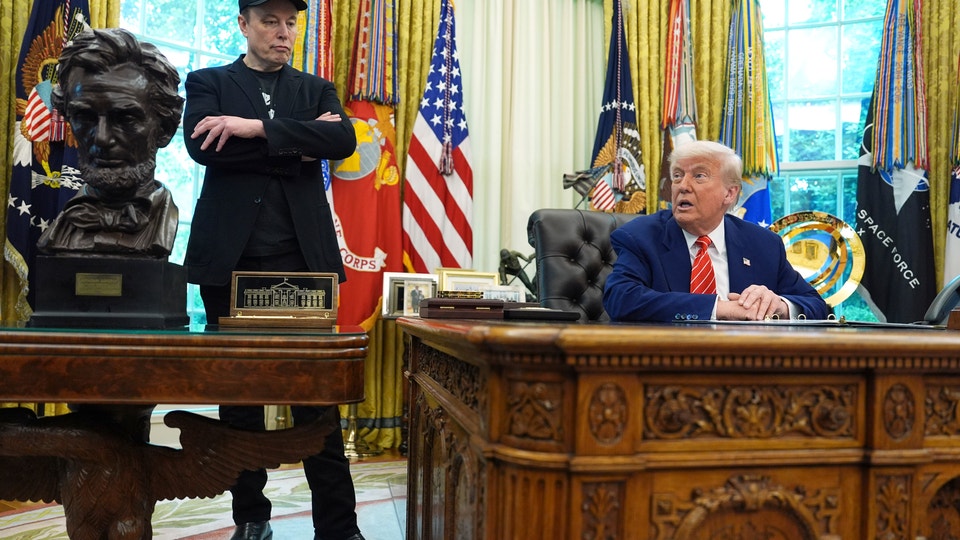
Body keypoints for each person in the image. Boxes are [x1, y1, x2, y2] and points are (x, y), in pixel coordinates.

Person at [181, 0, 362, 539]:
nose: (284, 33)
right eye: (270, 21)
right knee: (240, 401)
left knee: (316, 401)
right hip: (230, 261)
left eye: (291, 23)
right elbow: (204, 149)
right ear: (243, 24)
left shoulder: (316, 89)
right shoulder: (208, 82)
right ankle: (252, 520)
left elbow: (342, 141)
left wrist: (252, 129)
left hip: (303, 263)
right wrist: (296, 142)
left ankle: (339, 527)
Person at [603, 140, 830, 322]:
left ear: (729, 193)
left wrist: (779, 306)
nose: (683, 186)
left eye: (699, 176)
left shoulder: (763, 244)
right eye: (677, 176)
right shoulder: (640, 236)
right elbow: (621, 299)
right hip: (669, 360)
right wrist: (720, 308)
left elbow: (817, 306)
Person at [38, 28, 182, 257]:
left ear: (164, 130)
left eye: (125, 119)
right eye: (85, 117)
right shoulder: (59, 231)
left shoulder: (167, 224)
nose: (102, 138)